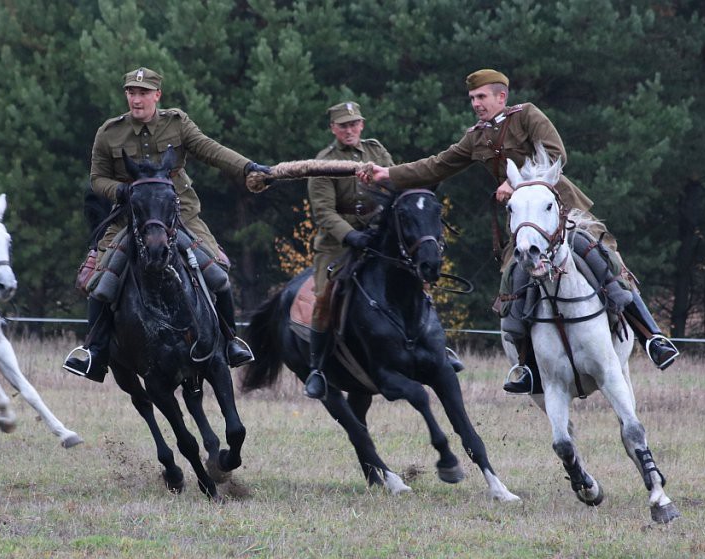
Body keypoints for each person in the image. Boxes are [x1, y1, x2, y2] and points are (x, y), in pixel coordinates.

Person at [361, 69, 678, 393]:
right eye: (472, 98)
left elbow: (557, 154)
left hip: (563, 211)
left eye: (481, 97)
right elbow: (437, 165)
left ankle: (652, 338)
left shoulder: (527, 116)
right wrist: (389, 174)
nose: (476, 104)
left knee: (606, 259)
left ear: (501, 96)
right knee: (512, 280)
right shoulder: (477, 136)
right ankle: (527, 367)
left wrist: (514, 182)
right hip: (525, 224)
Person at [64, 67, 270, 381]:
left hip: (180, 215)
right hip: (128, 218)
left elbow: (211, 150)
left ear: (157, 95)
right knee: (101, 283)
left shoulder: (177, 124)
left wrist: (248, 168)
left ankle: (230, 343)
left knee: (217, 274)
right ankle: (94, 353)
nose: (136, 99)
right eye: (131, 92)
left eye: (143, 93)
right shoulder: (109, 132)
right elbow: (96, 180)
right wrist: (120, 190)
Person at [302, 101, 463, 400]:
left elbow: (395, 184)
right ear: (333, 129)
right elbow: (323, 213)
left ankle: (438, 349)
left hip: (379, 236)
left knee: (414, 277)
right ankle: (318, 367)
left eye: (354, 124)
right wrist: (351, 236)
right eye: (343, 125)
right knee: (325, 297)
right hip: (337, 245)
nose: (349, 130)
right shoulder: (322, 163)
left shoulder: (376, 151)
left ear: (361, 125)